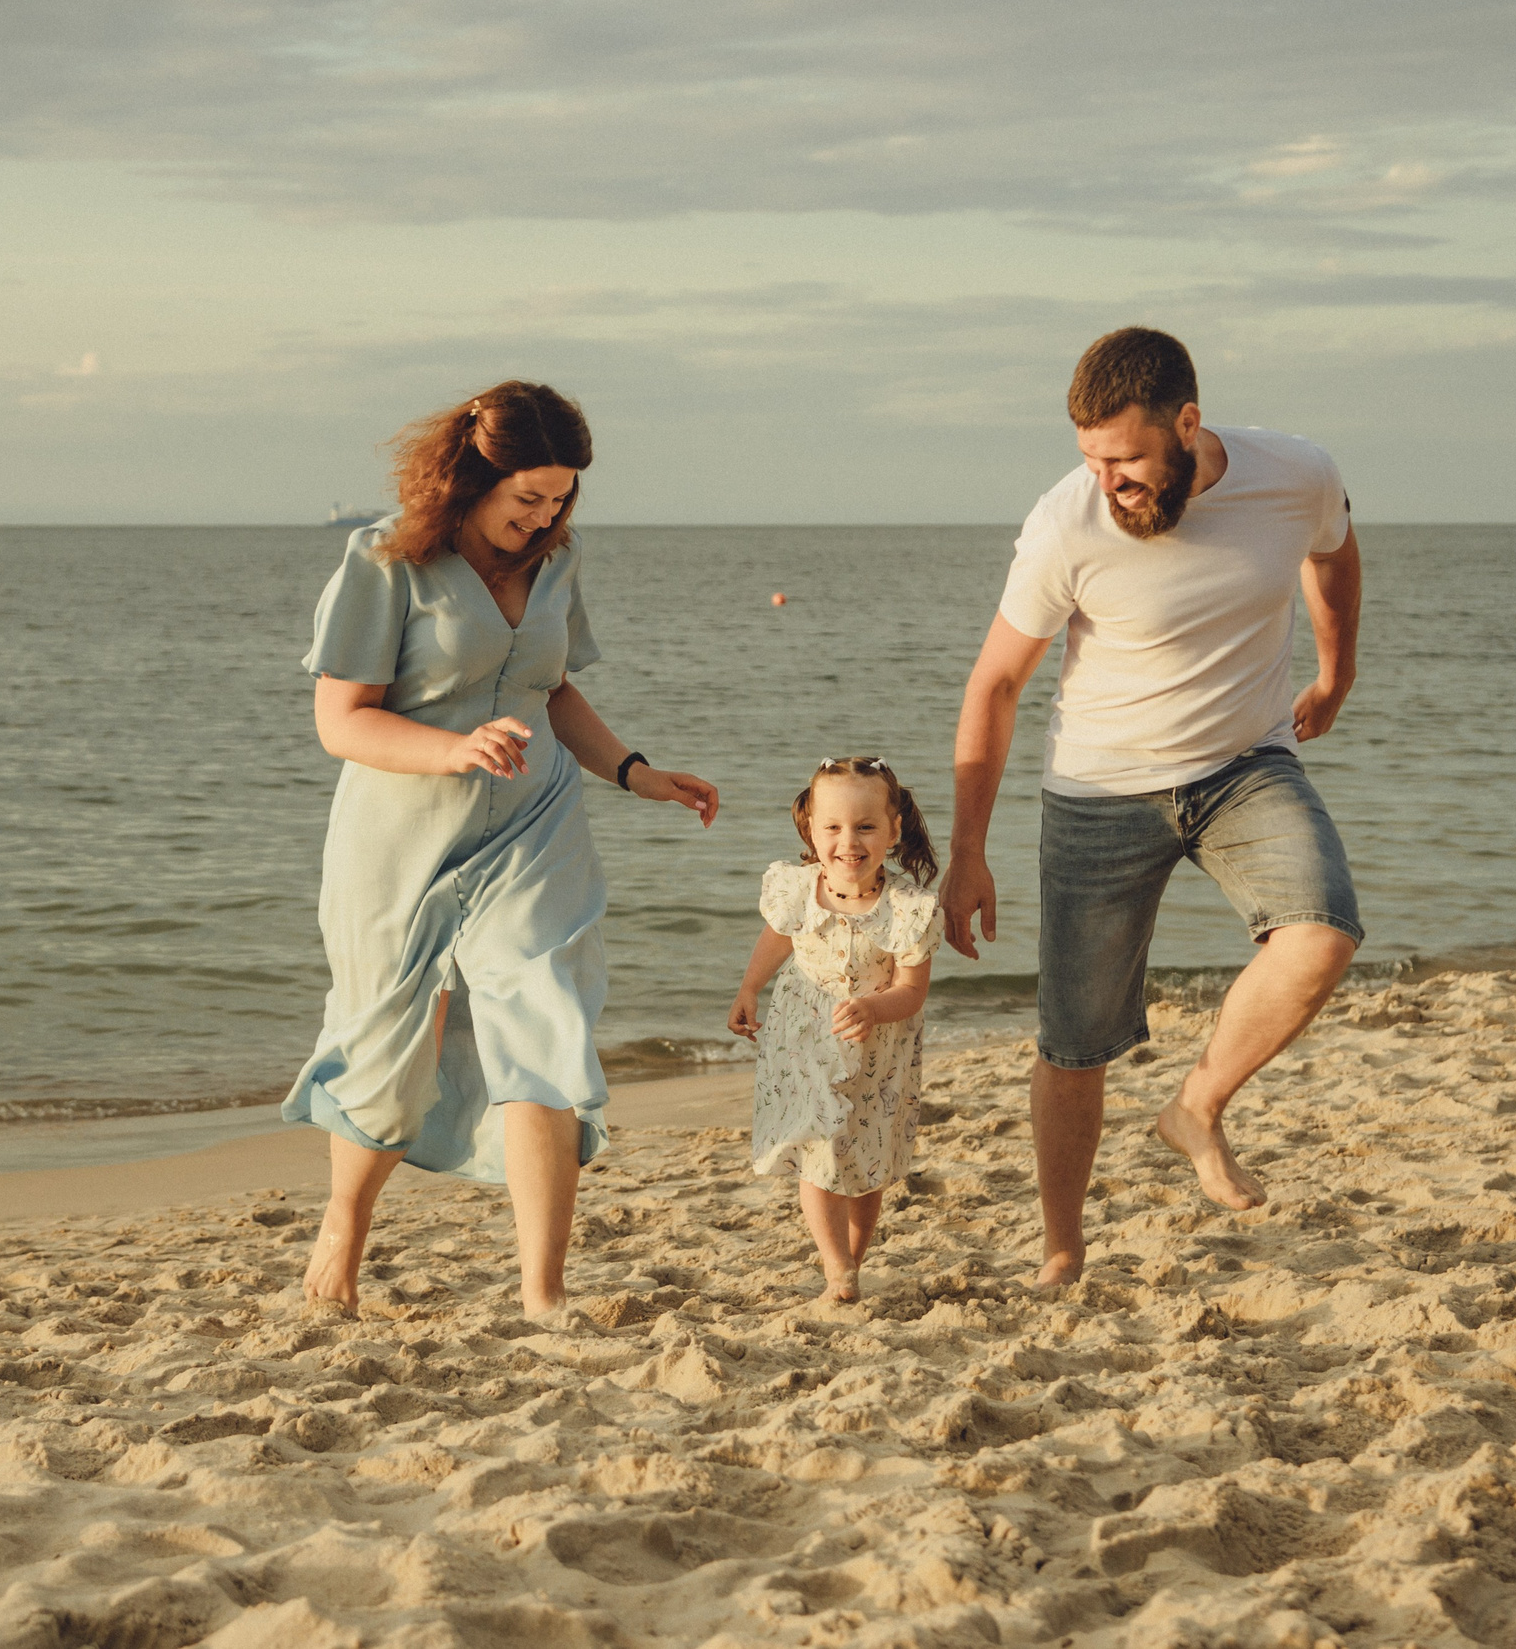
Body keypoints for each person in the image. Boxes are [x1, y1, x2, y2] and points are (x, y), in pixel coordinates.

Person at [284, 381, 719, 1318]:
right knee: (390, 1056)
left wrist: (636, 771)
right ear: (470, 480)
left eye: (561, 498)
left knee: (545, 1023)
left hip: (534, 825)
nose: (546, 516)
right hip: (402, 835)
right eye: (528, 498)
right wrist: (451, 749)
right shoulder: (384, 562)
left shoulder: (557, 565)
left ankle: (543, 1292)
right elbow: (341, 723)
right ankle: (345, 1227)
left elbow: (551, 691)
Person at [940, 327, 1364, 1286]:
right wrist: (969, 851)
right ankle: (1061, 1247)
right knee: (1075, 1040)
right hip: (1097, 790)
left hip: (1244, 763)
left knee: (1322, 931)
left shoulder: (1295, 475)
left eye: (1127, 457)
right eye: (1091, 458)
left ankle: (1196, 1107)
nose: (1110, 480)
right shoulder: (1066, 524)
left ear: (1188, 424)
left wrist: (1337, 671)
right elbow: (996, 684)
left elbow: (1333, 554)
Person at [727, 757, 941, 1302]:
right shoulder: (797, 890)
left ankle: (853, 1259)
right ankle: (836, 1267)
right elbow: (777, 939)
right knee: (818, 1151)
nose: (849, 841)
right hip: (804, 1037)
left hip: (877, 1048)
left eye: (866, 826)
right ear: (811, 830)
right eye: (834, 827)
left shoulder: (908, 908)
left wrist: (875, 1008)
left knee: (866, 1163)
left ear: (894, 831)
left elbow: (912, 991)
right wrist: (750, 988)